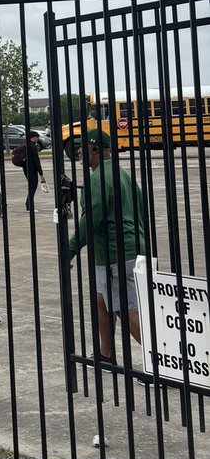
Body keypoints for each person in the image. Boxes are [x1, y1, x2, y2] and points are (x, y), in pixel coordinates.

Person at [68, 129, 145, 363]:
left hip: (116, 251)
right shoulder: (121, 173)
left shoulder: (98, 178)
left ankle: (160, 362)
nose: (79, 152)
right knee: (102, 300)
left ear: (95, 150)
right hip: (130, 247)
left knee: (125, 307)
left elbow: (91, 219)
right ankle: (105, 354)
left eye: (83, 148)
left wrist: (69, 248)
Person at [19, 130, 47, 212]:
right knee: (32, 187)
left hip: (25, 169)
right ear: (34, 138)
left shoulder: (25, 145)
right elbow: (36, 161)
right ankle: (29, 206)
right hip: (32, 170)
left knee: (31, 187)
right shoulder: (33, 147)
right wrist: (41, 174)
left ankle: (28, 204)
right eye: (37, 138)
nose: (38, 139)